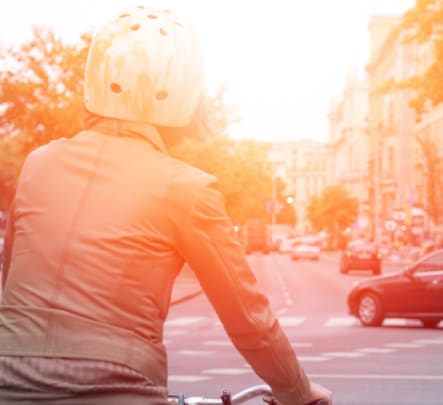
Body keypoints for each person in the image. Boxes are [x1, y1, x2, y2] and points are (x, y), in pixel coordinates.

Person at [0, 6, 331, 405]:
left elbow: (11, 280)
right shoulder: (187, 189)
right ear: (185, 95)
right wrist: (298, 391)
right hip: (119, 388)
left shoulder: (39, 164)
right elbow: (249, 321)